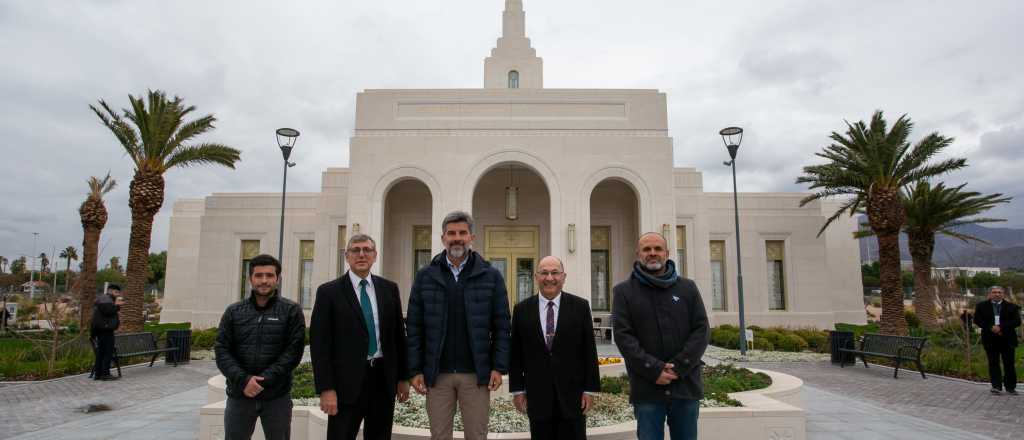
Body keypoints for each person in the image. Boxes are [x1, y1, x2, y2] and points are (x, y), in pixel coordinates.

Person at [406, 211, 511, 440]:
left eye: (462, 233)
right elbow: (414, 327)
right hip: (438, 375)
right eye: (451, 233)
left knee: (477, 435)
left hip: (476, 375)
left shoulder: (491, 276)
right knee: (440, 436)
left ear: (472, 237)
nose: (457, 238)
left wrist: (498, 366)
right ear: (443, 238)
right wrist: (414, 370)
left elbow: (502, 326)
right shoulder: (425, 276)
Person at [309, 234, 410, 440]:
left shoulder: (389, 289)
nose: (361, 254)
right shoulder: (329, 292)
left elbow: (398, 336)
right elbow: (320, 346)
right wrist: (326, 389)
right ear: (347, 256)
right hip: (346, 385)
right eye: (355, 250)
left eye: (367, 250)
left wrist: (402, 377)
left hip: (382, 380)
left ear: (375, 256)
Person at [613, 232, 709, 440]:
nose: (652, 253)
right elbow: (623, 337)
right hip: (647, 389)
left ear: (667, 253)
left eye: (657, 249)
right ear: (638, 254)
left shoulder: (688, 288)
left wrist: (678, 367)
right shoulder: (623, 292)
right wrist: (655, 369)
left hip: (685, 386)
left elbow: (701, 330)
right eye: (647, 249)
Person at [215, 254, 306, 440]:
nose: (264, 281)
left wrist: (263, 381)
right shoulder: (233, 312)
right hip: (240, 395)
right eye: (259, 275)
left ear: (277, 279)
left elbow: (293, 352)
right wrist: (244, 380)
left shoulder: (291, 311)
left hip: (277, 397)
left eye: (269, 275)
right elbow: (222, 350)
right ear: (250, 279)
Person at [509, 256, 600, 440]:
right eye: (544, 273)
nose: (549, 278)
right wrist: (518, 390)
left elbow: (589, 351)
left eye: (554, 273)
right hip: (538, 396)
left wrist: (589, 390)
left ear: (563, 277)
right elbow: (516, 355)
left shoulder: (580, 307)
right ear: (536, 277)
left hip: (573, 397)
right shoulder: (521, 310)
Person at [973, 286, 1021, 395]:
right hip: (990, 339)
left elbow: (1017, 322)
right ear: (990, 294)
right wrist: (991, 327)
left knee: (1009, 364)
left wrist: (1000, 327)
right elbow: (977, 320)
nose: (997, 294)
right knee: (993, 363)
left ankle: (1010, 387)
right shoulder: (981, 306)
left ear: (1003, 294)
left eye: (999, 292)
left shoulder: (1012, 307)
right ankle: (996, 386)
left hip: (1007, 339)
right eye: (994, 292)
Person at [90, 284, 123, 380]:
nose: (117, 295)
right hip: (106, 330)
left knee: (101, 352)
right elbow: (108, 311)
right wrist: (117, 306)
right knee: (107, 352)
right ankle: (105, 374)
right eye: (116, 292)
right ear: (111, 291)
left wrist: (116, 306)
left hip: (102, 330)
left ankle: (98, 374)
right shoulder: (106, 299)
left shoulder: (104, 299)